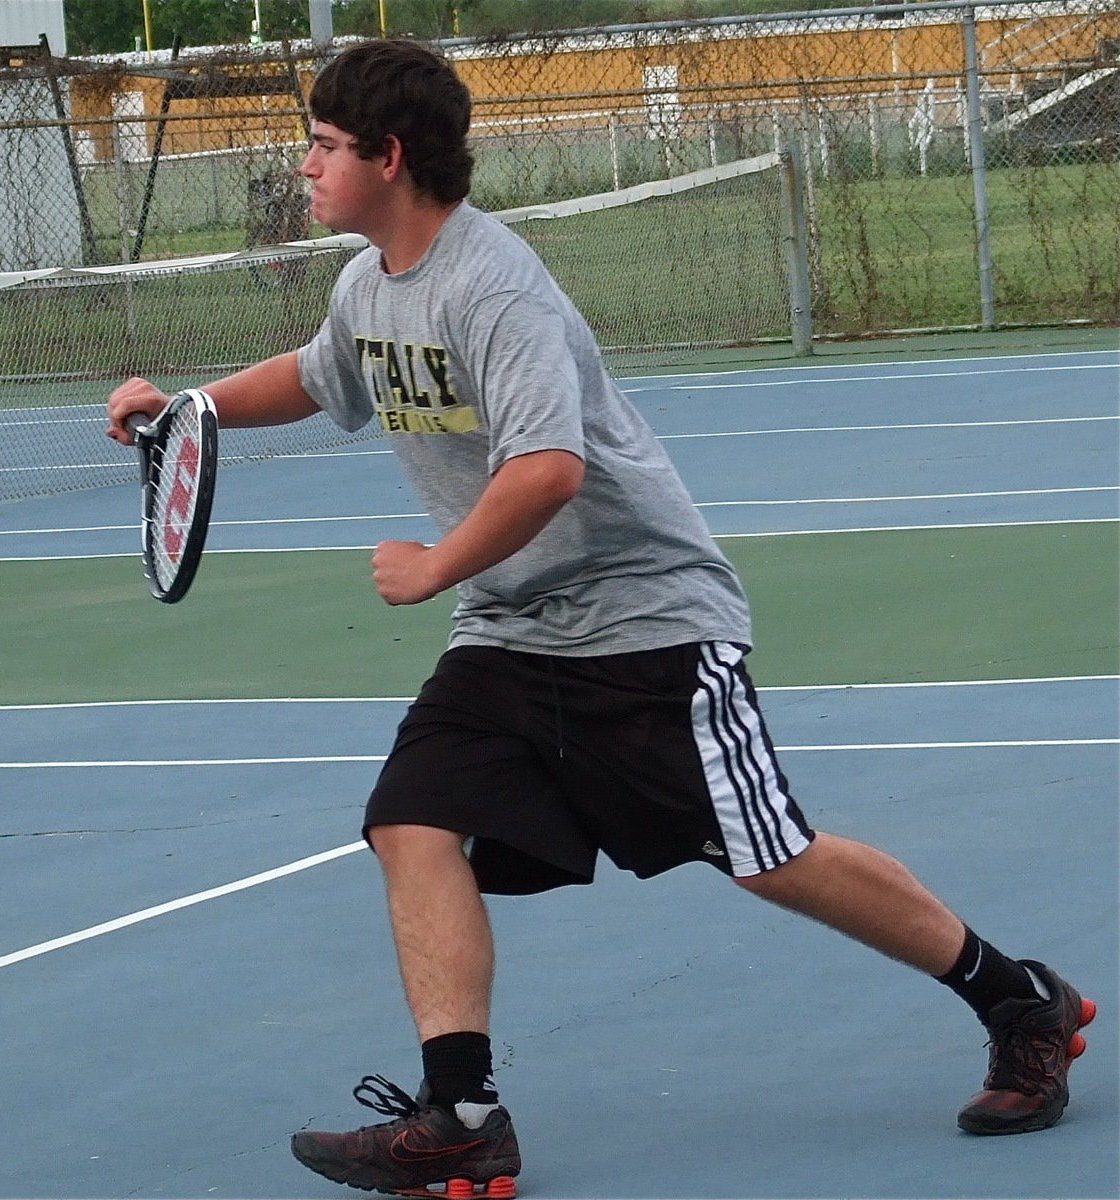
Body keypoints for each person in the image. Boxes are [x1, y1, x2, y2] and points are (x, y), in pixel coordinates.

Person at [107, 39, 1096, 1199]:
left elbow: (547, 470)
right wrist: (192, 409)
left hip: (647, 626)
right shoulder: (368, 283)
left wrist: (434, 568)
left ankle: (1014, 997)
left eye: (324, 147)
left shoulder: (495, 285)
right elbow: (325, 375)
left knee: (770, 858)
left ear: (388, 156)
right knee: (411, 819)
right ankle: (463, 1113)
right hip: (514, 632)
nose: (306, 166)